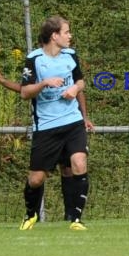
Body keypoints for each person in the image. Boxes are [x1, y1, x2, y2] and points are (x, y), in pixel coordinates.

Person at [0, 66, 94, 221]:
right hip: (47, 129)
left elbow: (79, 91)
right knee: (37, 177)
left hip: (71, 126)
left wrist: (84, 117)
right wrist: (2, 80)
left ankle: (72, 216)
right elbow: (23, 89)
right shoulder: (37, 68)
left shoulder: (66, 66)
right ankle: (33, 215)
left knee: (70, 168)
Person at [18, 15, 90, 230]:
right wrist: (44, 83)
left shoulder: (70, 55)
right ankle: (30, 215)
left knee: (79, 162)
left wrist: (75, 89)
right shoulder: (34, 59)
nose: (70, 36)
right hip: (47, 127)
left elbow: (80, 81)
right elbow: (24, 92)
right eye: (66, 32)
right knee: (36, 180)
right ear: (54, 36)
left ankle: (76, 220)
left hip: (73, 122)